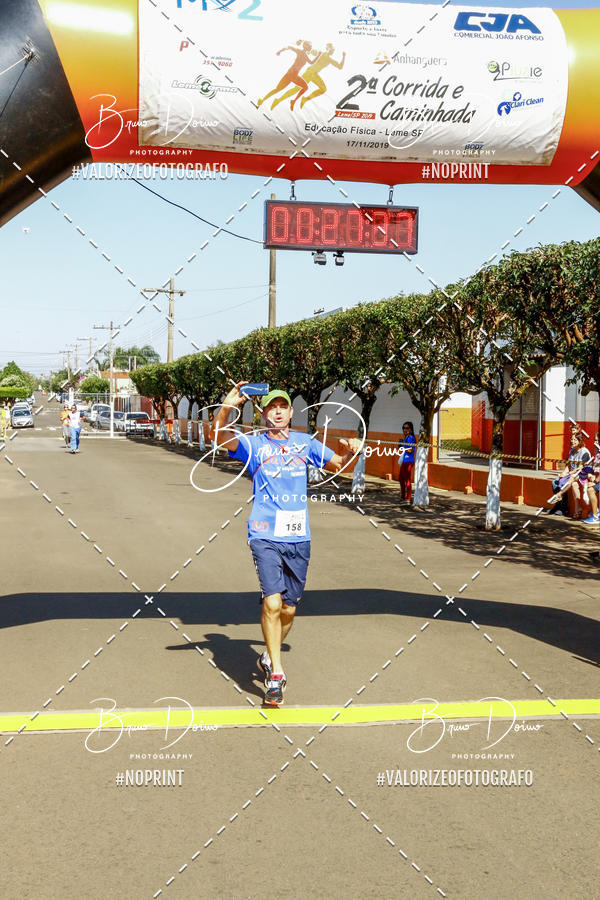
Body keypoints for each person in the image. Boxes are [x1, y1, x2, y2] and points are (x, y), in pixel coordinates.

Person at [210, 382, 361, 706]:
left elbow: (336, 465)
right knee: (272, 604)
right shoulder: (253, 445)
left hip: (298, 535)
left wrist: (351, 450)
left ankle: (268, 655)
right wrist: (226, 407)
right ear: (263, 414)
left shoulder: (306, 444)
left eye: (282, 406)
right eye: (270, 407)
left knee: (290, 609)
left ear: (291, 413)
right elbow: (218, 438)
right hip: (264, 532)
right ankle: (276, 675)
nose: (277, 411)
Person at [271, 43, 346, 111]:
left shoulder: (329, 59)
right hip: (309, 73)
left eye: (334, 50)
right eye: (332, 49)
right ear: (328, 49)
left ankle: (305, 99)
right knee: (296, 89)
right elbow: (311, 51)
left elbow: (340, 67)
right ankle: (278, 100)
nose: (333, 51)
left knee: (323, 89)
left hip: (314, 74)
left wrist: (343, 56)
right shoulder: (324, 55)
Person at [257, 41, 318, 111]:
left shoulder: (304, 55)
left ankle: (262, 100)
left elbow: (311, 62)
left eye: (311, 46)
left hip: (292, 74)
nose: (310, 47)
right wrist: (280, 51)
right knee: (304, 87)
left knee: (278, 89)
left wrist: (318, 55)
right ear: (306, 46)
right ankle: (263, 100)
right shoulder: (300, 52)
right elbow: (289, 47)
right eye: (309, 46)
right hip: (292, 75)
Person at [548, 430, 592, 517]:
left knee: (571, 480)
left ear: (580, 441)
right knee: (556, 482)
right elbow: (568, 466)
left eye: (575, 440)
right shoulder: (572, 451)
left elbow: (579, 468)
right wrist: (563, 473)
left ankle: (560, 500)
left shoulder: (584, 452)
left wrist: (567, 474)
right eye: (571, 439)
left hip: (582, 474)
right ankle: (567, 508)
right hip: (573, 475)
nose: (572, 441)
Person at [398, 421, 416, 502]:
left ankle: (408, 498)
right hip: (404, 460)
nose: (405, 430)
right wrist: (401, 446)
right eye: (404, 428)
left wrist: (402, 446)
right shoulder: (406, 437)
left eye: (407, 428)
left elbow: (410, 450)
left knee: (407, 479)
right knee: (401, 478)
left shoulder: (411, 438)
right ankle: (402, 496)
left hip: (409, 461)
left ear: (411, 429)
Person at [583, 431, 600, 524]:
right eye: (595, 440)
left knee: (590, 490)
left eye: (597, 441)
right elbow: (595, 469)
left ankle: (595, 516)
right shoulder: (597, 454)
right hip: (597, 479)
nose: (595, 443)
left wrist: (596, 482)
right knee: (588, 487)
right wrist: (591, 474)